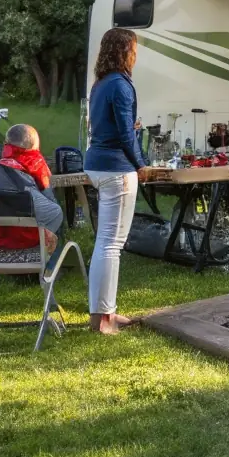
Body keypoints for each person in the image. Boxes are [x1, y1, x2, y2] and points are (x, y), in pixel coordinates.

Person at [84, 27, 149, 334]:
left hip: (96, 164)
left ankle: (102, 313)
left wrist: (130, 128)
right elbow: (124, 134)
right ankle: (104, 320)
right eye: (134, 49)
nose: (136, 55)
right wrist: (141, 164)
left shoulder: (100, 84)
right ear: (126, 52)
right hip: (116, 169)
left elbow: (109, 126)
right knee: (111, 245)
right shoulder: (122, 85)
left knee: (104, 244)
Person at [0, 123, 66, 254]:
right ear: (34, 145)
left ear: (7, 143)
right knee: (57, 212)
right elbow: (49, 197)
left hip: (4, 236)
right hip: (30, 234)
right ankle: (52, 262)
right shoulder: (36, 162)